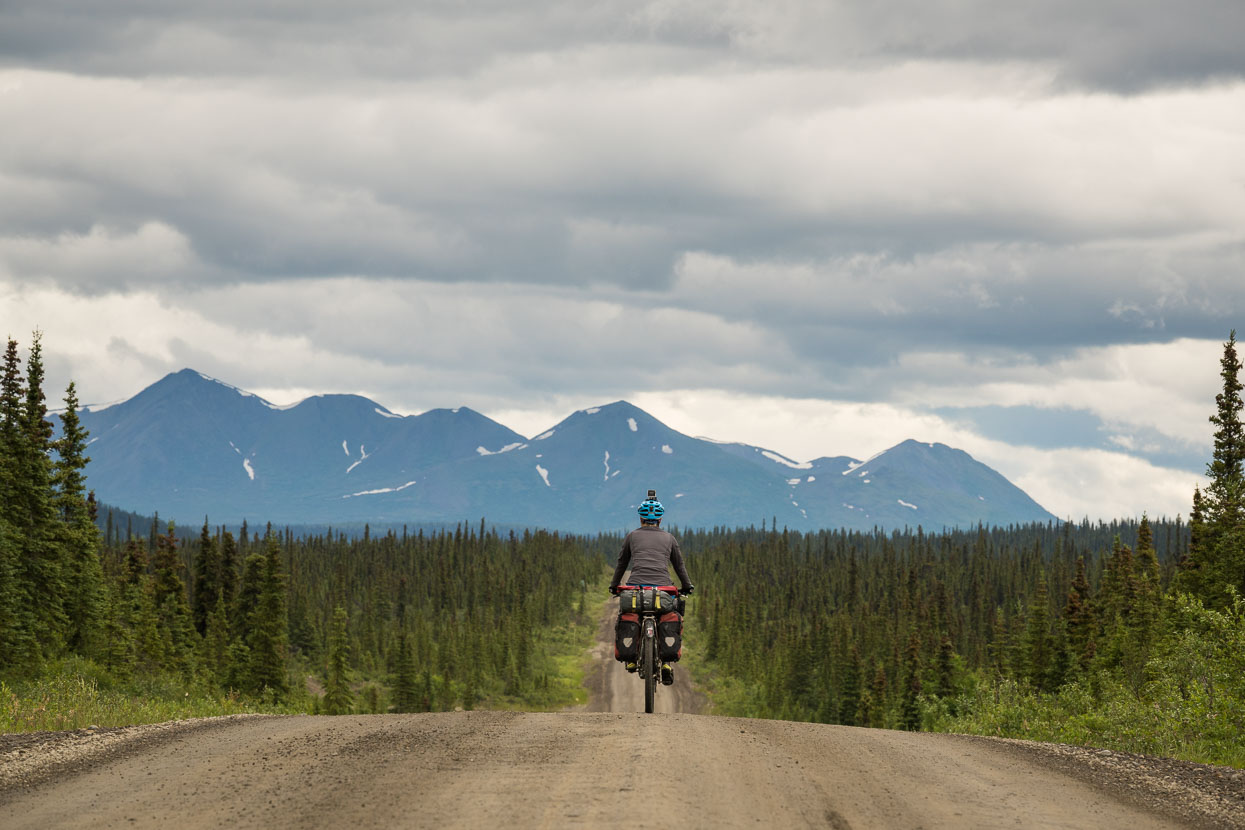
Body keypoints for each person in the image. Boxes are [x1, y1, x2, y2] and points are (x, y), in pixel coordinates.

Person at [609, 491, 694, 685]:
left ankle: (630, 660)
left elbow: (622, 564)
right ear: (660, 519)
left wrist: (615, 586)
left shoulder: (632, 536)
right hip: (664, 589)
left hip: (635, 589)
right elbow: (679, 566)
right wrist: (686, 587)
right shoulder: (670, 538)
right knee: (668, 614)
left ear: (640, 518)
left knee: (632, 613)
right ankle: (666, 663)